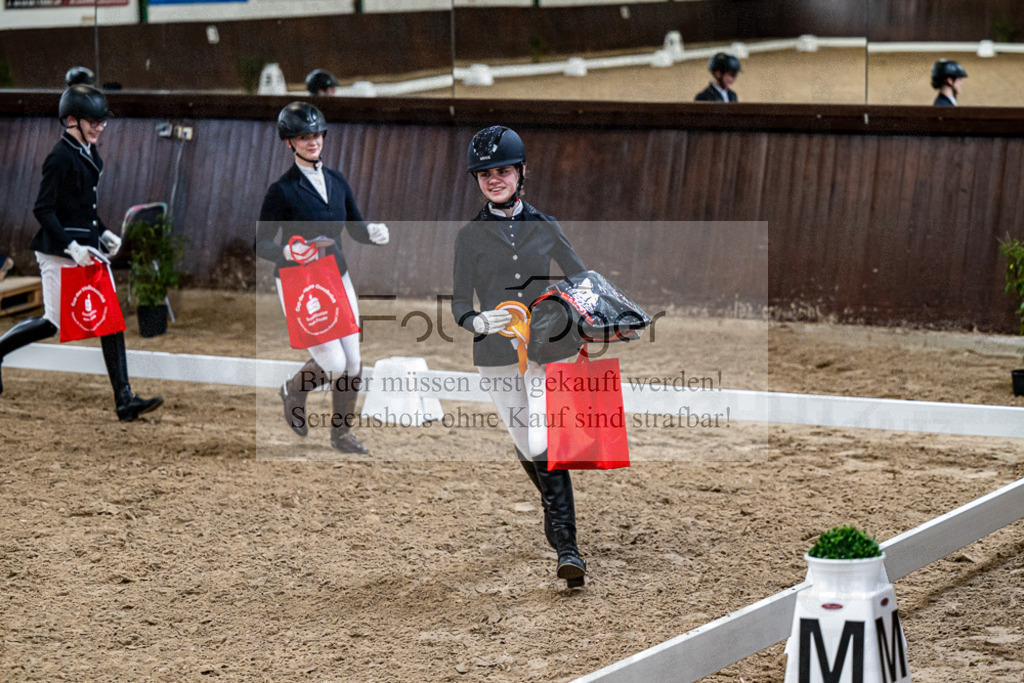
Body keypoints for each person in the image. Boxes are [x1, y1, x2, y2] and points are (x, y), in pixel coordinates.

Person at [452, 125, 589, 588]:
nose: (495, 179)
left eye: (503, 171)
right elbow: (457, 305)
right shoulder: (468, 237)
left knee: (538, 442)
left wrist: (605, 315)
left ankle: (567, 548)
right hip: (494, 355)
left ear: (521, 173)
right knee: (528, 441)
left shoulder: (546, 226)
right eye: (485, 174)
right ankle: (561, 527)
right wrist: (476, 321)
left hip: (546, 350)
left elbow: (580, 279)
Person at [0, 85, 163, 421]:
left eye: (102, 121)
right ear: (71, 120)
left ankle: (124, 400)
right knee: (53, 323)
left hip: (87, 250)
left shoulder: (92, 155)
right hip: (60, 252)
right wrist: (71, 247)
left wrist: (103, 232)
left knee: (111, 322)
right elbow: (44, 209)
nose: (100, 127)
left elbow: (82, 209)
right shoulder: (60, 157)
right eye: (94, 121)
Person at [255, 101, 389, 453]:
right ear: (290, 142)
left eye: (316, 134)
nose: (312, 141)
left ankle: (340, 433)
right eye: (303, 137)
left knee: (354, 362)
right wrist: (287, 251)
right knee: (333, 362)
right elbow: (261, 242)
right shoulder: (281, 190)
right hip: (299, 281)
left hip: (335, 276)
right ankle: (293, 390)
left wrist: (372, 232)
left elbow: (355, 229)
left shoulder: (336, 180)